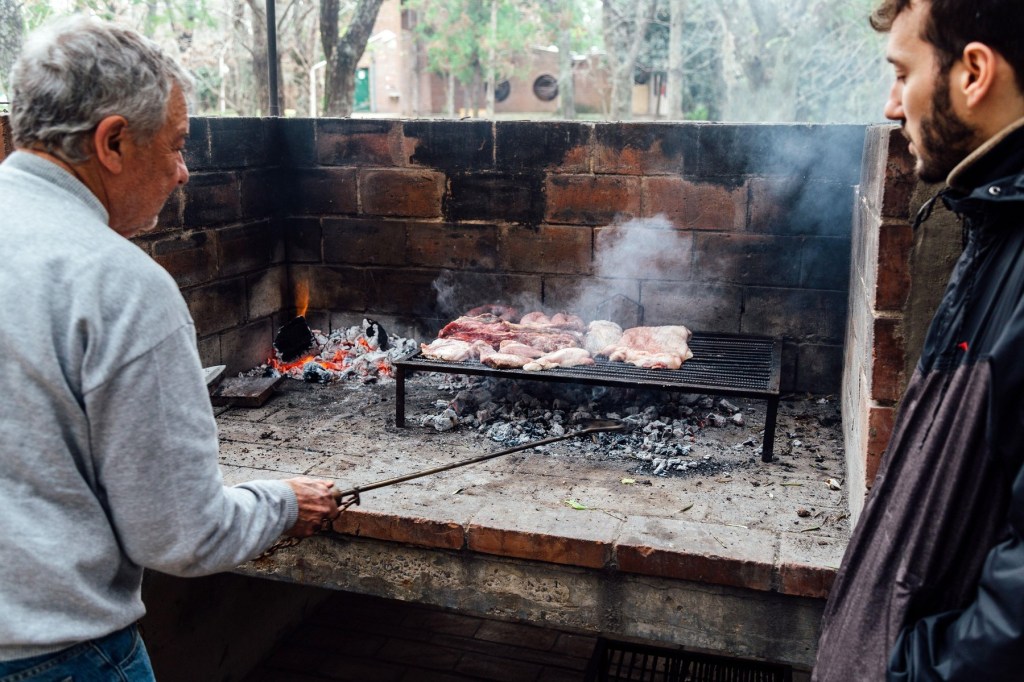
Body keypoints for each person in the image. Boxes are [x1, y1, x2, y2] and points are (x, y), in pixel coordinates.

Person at [0, 16, 342, 679]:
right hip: (59, 657)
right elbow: (181, 533)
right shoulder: (118, 283)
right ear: (113, 142)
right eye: (178, 145)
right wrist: (282, 502)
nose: (184, 172)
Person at [813, 0, 1024, 679]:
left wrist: (897, 668)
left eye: (904, 74)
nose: (891, 106)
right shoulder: (993, 220)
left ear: (974, 73)